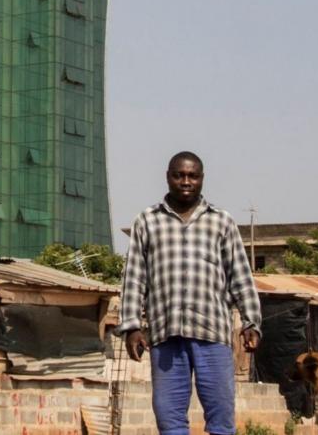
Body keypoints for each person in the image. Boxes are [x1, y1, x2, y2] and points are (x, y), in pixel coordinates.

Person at [116, 151, 263, 435]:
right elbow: (134, 278)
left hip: (213, 336)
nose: (186, 181)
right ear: (168, 177)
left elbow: (241, 277)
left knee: (221, 419)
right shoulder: (147, 221)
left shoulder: (221, 221)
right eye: (179, 175)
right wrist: (132, 327)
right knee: (169, 421)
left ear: (202, 179)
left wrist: (251, 322)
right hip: (166, 336)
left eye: (192, 176)